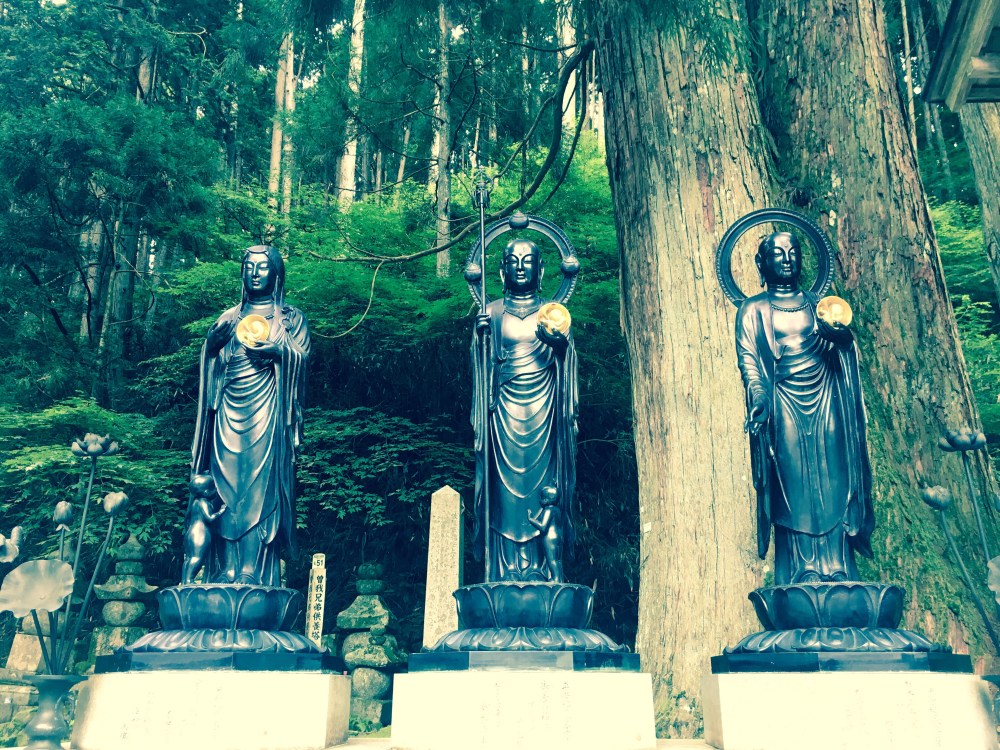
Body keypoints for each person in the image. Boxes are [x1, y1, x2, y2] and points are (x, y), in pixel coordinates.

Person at [736, 231, 873, 584]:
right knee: (793, 485)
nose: (787, 259)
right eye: (778, 253)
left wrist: (841, 339)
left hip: (827, 398)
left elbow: (844, 349)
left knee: (833, 479)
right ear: (762, 263)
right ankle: (802, 568)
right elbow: (749, 362)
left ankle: (839, 566)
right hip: (783, 404)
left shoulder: (819, 305)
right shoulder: (752, 310)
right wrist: (759, 400)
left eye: (793, 251)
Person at [190, 245, 310, 586]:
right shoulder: (229, 318)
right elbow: (212, 366)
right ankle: (223, 569)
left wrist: (279, 351)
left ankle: (251, 569)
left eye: (262, 267)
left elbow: (302, 358)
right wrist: (210, 348)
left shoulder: (290, 319)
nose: (255, 273)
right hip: (228, 409)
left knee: (259, 488)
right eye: (249, 267)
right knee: (224, 488)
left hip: (267, 410)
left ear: (276, 273)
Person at [471, 238, 578, 582]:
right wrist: (481, 339)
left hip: (544, 409)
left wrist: (560, 347)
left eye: (527, 260)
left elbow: (568, 360)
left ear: (541, 269)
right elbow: (482, 365)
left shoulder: (553, 314)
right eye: (512, 261)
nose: (520, 267)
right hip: (503, 410)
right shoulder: (492, 312)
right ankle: (503, 569)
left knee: (542, 489)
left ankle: (543, 569)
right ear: (502, 270)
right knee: (503, 491)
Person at [181, 474, 227, 584]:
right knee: (197, 557)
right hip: (200, 533)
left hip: (191, 532)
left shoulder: (195, 503)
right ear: (206, 492)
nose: (216, 491)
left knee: (189, 558)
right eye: (214, 489)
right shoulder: (203, 502)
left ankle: (185, 580)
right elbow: (209, 518)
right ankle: (189, 580)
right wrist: (221, 511)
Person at [527, 486, 565, 583]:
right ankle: (559, 578)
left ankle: (555, 578)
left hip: (549, 537)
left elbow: (543, 527)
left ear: (546, 500)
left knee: (551, 559)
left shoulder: (548, 510)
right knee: (558, 560)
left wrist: (531, 519)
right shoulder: (557, 510)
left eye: (541, 498)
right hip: (558, 536)